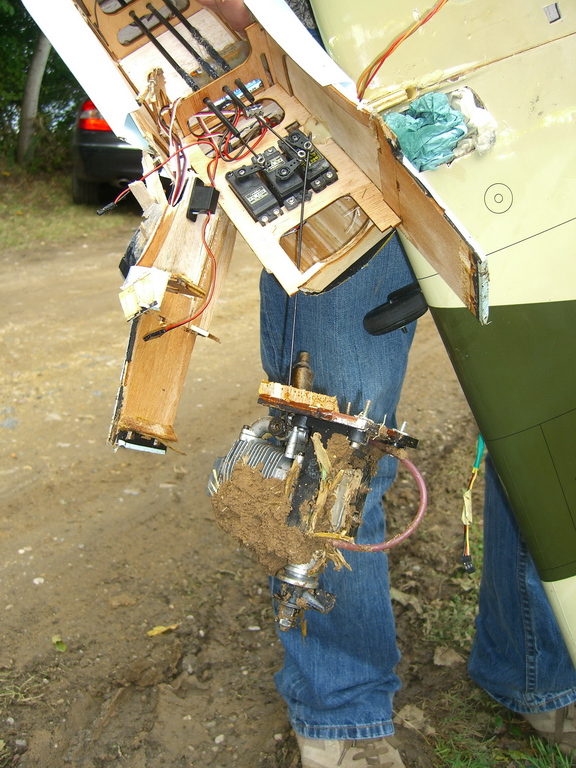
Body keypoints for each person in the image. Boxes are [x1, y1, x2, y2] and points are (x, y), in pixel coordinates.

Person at [200, 1, 576, 765]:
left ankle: (539, 670)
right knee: (329, 444)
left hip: (524, 101)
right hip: (335, 119)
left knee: (550, 420)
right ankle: (341, 712)